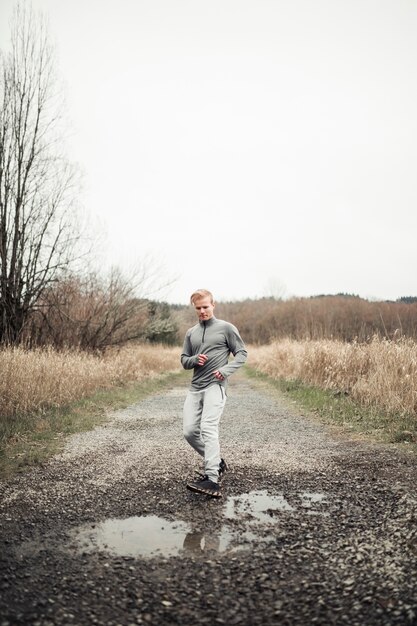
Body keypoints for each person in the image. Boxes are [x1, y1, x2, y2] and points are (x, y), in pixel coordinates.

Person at [181, 289, 247, 498]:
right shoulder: (191, 332)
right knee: (190, 432)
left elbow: (242, 354)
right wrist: (194, 360)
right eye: (198, 308)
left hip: (215, 386)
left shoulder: (226, 328)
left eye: (205, 307)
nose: (202, 311)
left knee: (208, 428)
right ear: (195, 308)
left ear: (213, 305)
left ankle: (212, 479)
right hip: (195, 387)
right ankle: (217, 462)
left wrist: (225, 371)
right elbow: (184, 360)